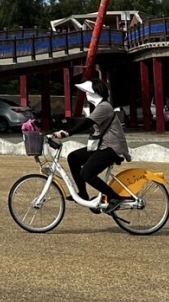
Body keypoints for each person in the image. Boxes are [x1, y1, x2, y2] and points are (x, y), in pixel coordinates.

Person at [53, 79, 129, 214]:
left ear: (96, 93)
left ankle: (115, 198)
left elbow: (87, 122)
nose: (86, 96)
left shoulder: (104, 107)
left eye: (88, 92)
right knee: (73, 158)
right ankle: (82, 193)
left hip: (112, 148)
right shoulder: (100, 107)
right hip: (103, 146)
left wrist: (68, 132)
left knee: (86, 173)